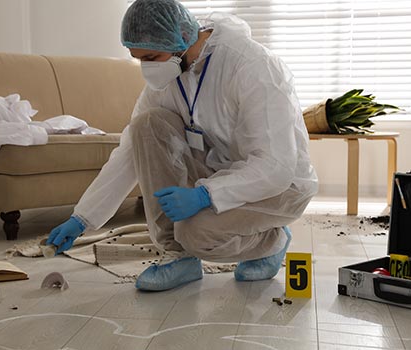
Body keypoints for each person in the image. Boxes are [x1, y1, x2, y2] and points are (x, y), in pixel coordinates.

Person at [47, 0, 318, 291]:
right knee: (146, 124)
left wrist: (205, 195)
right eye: (139, 59)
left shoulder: (251, 65)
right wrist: (83, 217)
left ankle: (271, 242)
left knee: (196, 233)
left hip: (278, 186)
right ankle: (178, 257)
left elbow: (275, 166)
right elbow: (130, 151)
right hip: (219, 170)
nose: (147, 69)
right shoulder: (171, 74)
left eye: (152, 57)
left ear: (181, 40)